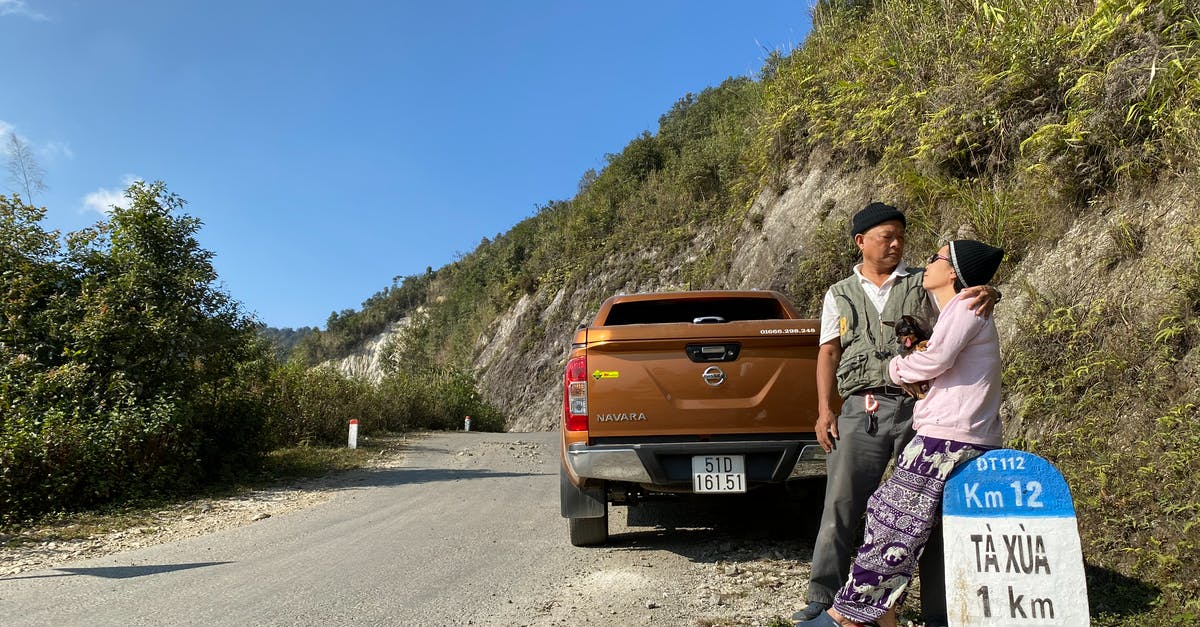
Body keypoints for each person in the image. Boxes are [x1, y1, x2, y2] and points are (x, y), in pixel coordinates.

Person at [792, 203, 997, 626]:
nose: (896, 244)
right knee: (842, 502)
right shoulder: (838, 293)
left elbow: (962, 304)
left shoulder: (921, 284)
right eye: (887, 236)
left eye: (901, 236)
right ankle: (824, 597)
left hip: (919, 408)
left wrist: (988, 289)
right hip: (859, 409)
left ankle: (935, 608)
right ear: (861, 242)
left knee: (928, 510)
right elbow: (828, 352)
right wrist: (823, 409)